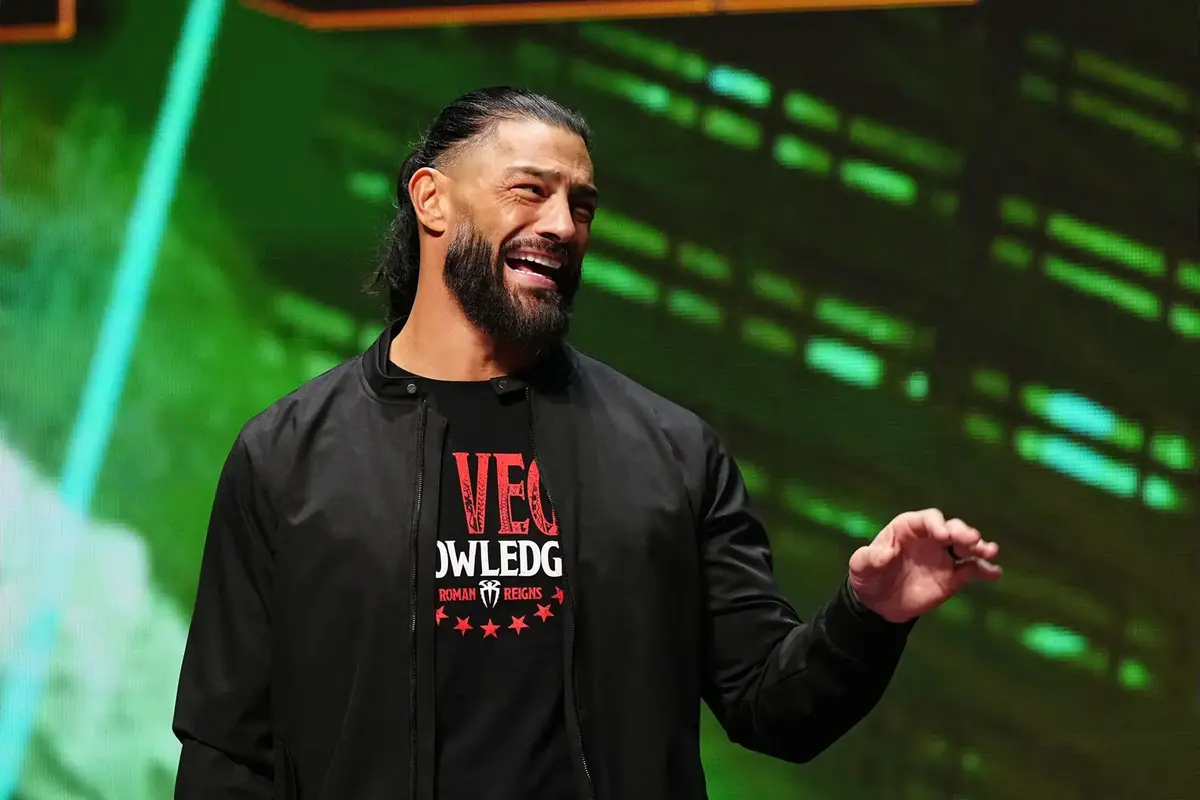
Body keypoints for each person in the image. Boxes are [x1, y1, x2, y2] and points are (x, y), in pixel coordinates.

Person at [172, 87, 1002, 800]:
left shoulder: (673, 456)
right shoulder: (286, 455)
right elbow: (228, 752)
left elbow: (771, 706)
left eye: (582, 206)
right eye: (529, 191)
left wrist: (870, 615)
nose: (562, 225)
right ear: (432, 200)